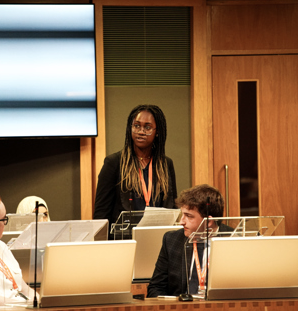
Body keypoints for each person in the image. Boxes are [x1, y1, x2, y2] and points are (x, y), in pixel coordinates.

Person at [93, 104, 177, 232]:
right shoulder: (114, 163)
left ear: (157, 131)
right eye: (136, 126)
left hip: (157, 238)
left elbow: (172, 208)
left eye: (147, 127)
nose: (141, 131)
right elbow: (101, 214)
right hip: (123, 240)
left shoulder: (166, 164)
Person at [146, 184, 230, 297]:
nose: (181, 222)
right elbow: (155, 288)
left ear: (209, 222)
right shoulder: (172, 240)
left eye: (189, 216)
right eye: (182, 214)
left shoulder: (234, 240)